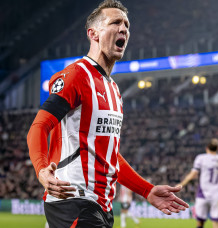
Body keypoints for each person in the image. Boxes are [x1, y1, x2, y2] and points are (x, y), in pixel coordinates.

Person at [27, 1, 188, 227]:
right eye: (115, 22)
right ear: (93, 33)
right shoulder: (76, 76)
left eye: (126, 25)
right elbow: (38, 126)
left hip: (101, 204)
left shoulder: (113, 89)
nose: (124, 29)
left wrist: (147, 189)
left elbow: (110, 156)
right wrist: (42, 170)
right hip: (73, 198)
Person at [177, 138, 218, 228]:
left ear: (207, 148)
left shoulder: (201, 158)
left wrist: (182, 184)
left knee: (200, 222)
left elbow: (193, 174)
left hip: (202, 194)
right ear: (217, 149)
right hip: (216, 195)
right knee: (216, 223)